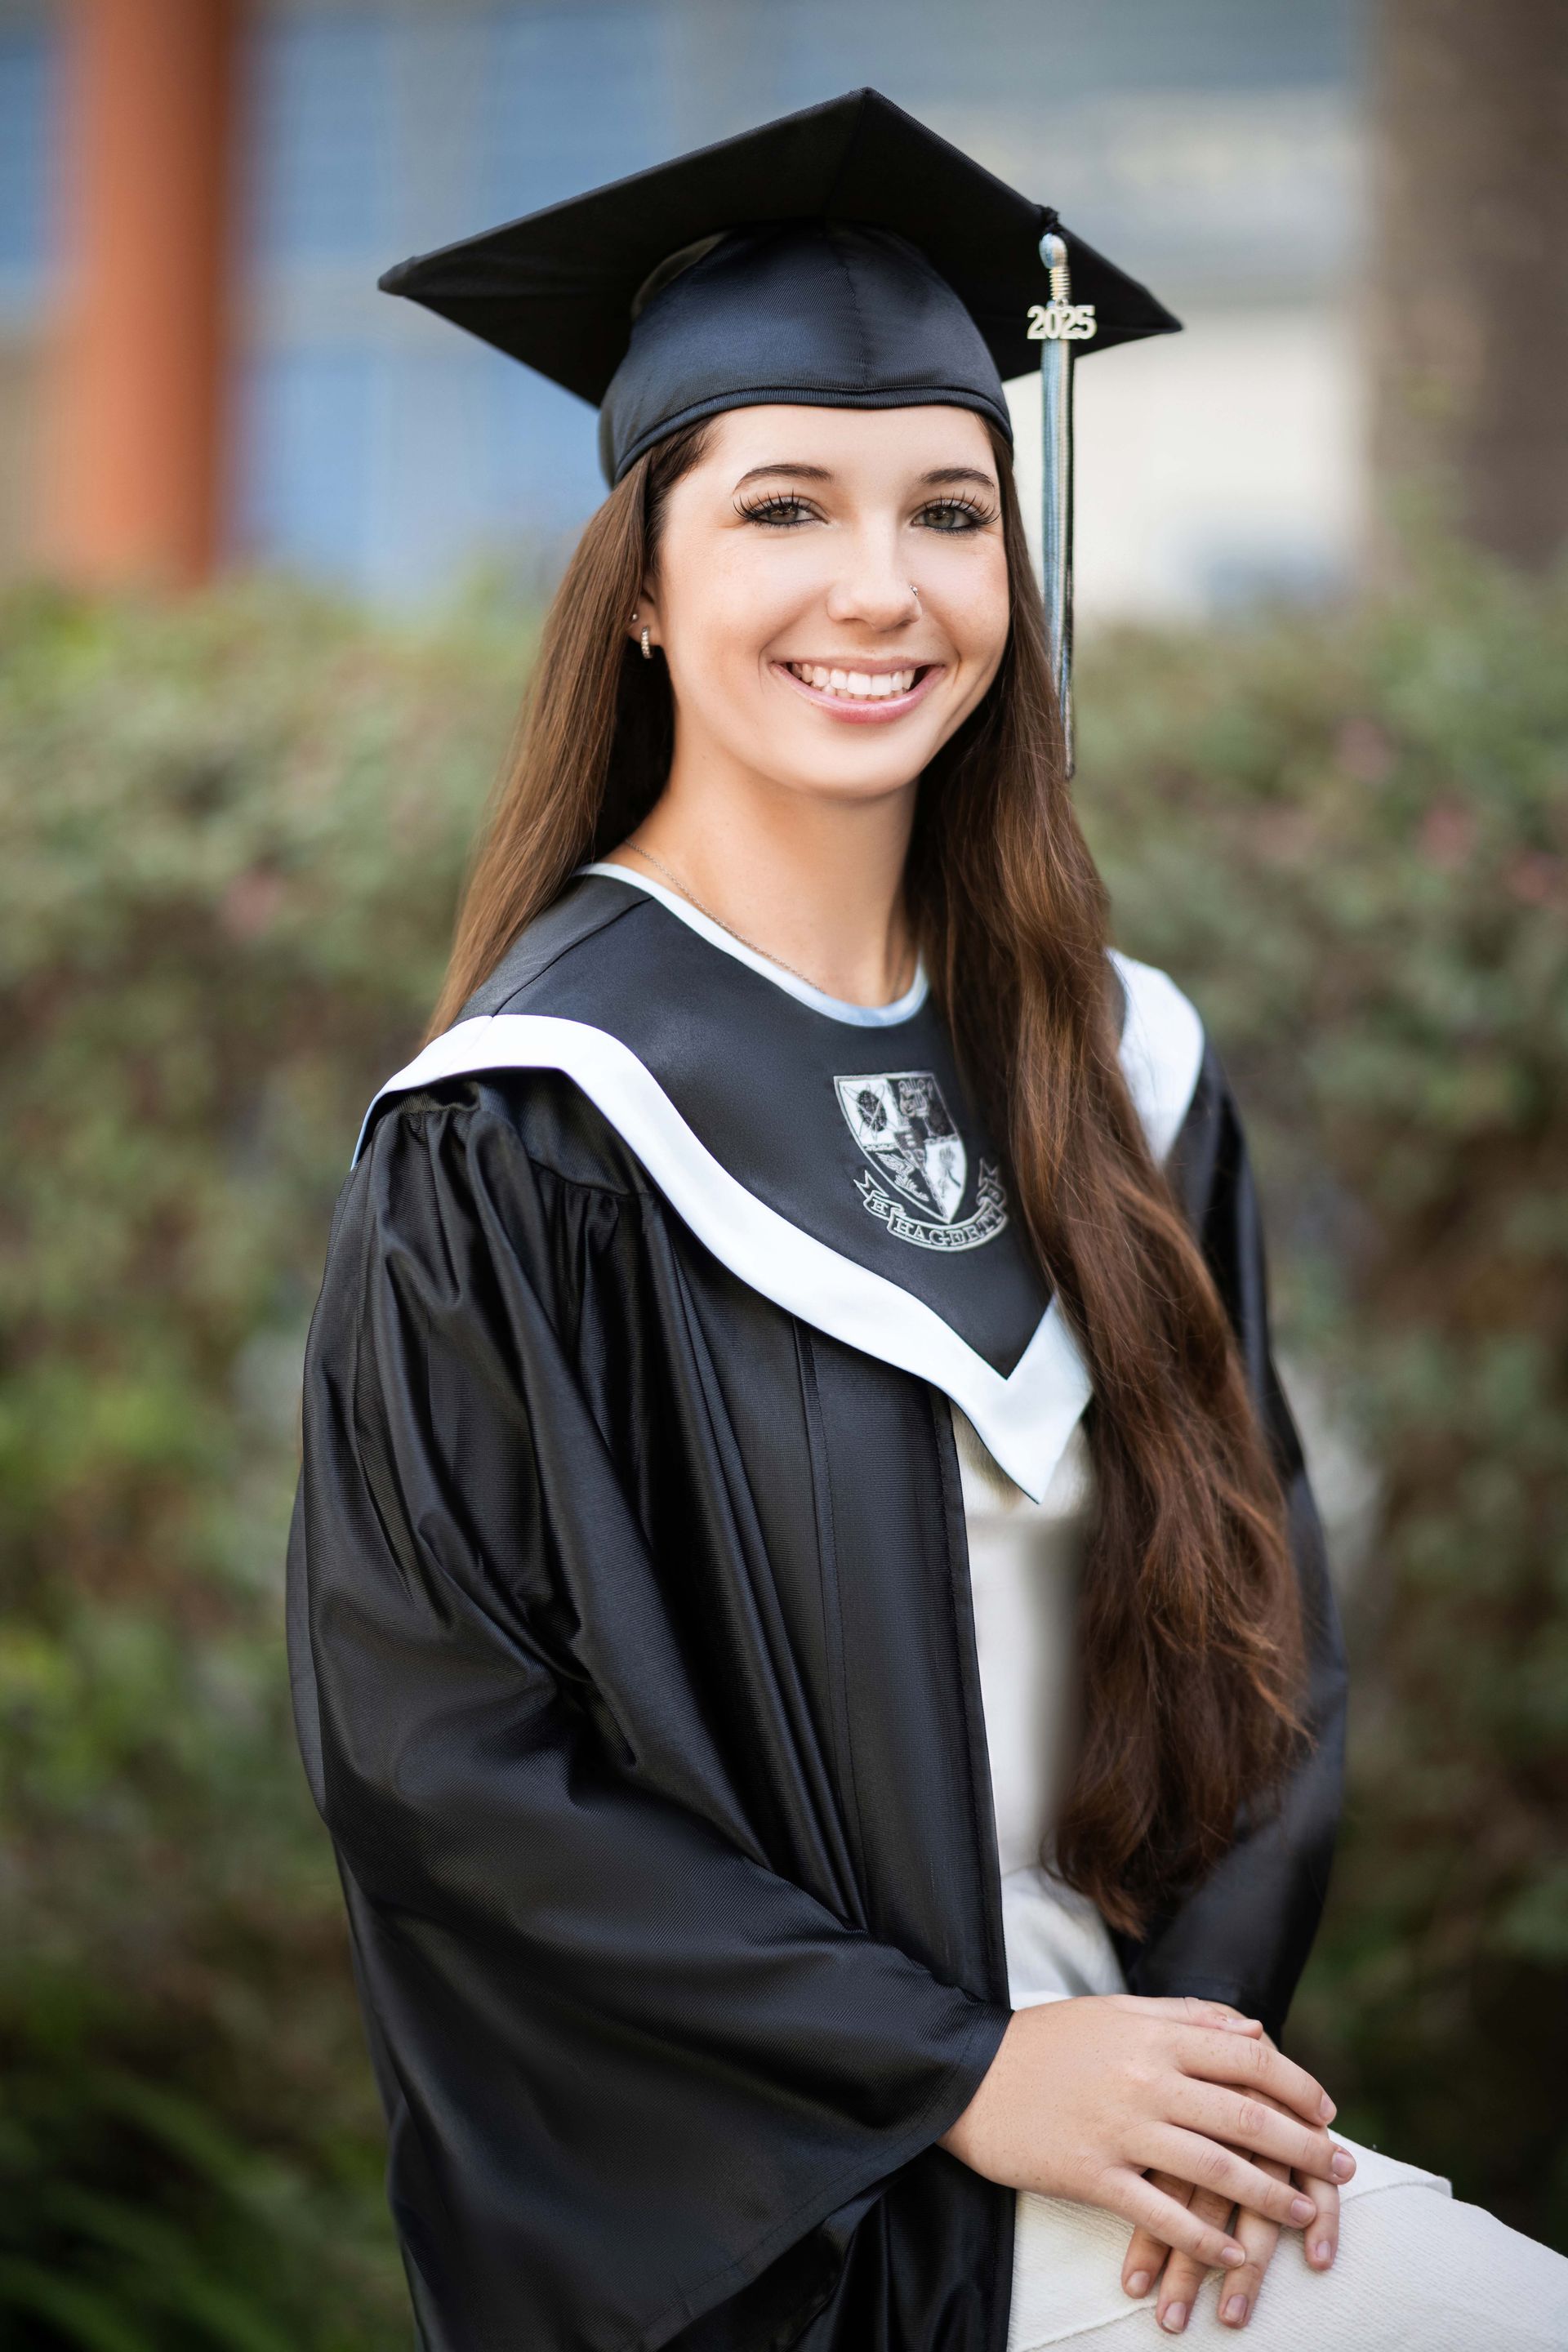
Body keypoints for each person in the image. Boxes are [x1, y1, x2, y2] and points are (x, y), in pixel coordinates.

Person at [285, 89, 1568, 2352]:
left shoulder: (1126, 1066)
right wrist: (962, 2075)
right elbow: (443, 1769)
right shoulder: (529, 1130)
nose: (882, 588)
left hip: (1141, 2162)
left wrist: (1192, 2084)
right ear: (650, 590)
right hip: (787, 2211)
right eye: (785, 504)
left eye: (950, 512)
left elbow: (1264, 1637)